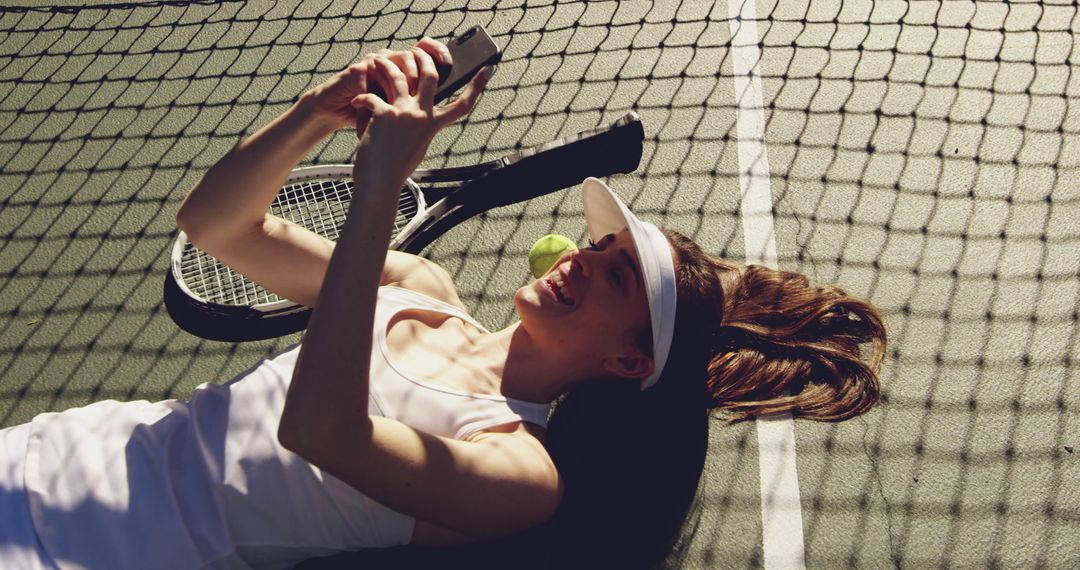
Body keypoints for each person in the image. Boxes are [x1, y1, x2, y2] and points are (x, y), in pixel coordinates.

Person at [0, 38, 887, 569]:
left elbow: (321, 431)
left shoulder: (520, 476)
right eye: (599, 247)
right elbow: (216, 227)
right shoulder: (418, 290)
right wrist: (319, 109)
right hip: (59, 451)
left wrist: (380, 190)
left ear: (628, 361)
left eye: (614, 277)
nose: (580, 260)